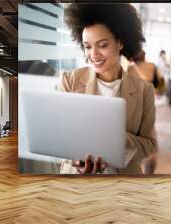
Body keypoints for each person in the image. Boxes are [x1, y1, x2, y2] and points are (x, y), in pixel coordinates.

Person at [58, 3, 157, 174]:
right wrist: (75, 159)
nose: (93, 55)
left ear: (120, 42)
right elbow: (58, 137)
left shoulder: (144, 90)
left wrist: (116, 139)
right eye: (87, 46)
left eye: (102, 45)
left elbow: (149, 145)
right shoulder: (69, 81)